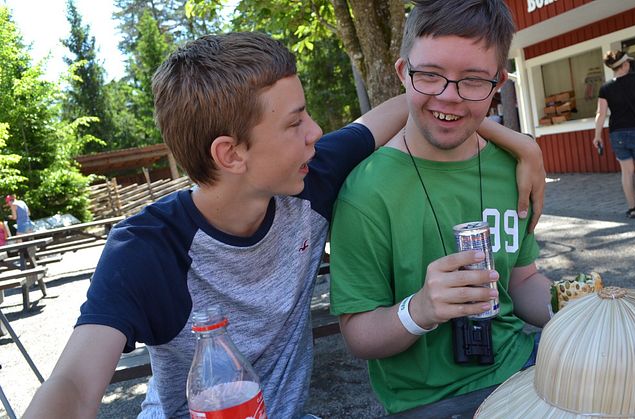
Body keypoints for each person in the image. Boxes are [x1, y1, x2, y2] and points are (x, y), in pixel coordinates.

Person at [24, 32, 545, 418]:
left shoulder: (309, 181)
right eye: (295, 122)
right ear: (230, 154)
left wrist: (521, 144)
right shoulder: (147, 248)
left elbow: (410, 105)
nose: (317, 131)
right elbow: (72, 382)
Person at [329, 0, 554, 414]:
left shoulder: (512, 170)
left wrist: (571, 309)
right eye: (430, 75)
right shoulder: (365, 192)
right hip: (430, 400)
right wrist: (420, 310)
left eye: (472, 81)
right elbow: (358, 334)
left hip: (522, 365)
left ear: (498, 82)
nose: (449, 98)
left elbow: (522, 283)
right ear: (403, 73)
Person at [592, 50, 635, 218]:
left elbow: (601, 114)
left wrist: (597, 136)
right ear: (625, 64)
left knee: (626, 171)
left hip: (617, 133)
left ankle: (632, 209)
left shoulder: (605, 88)